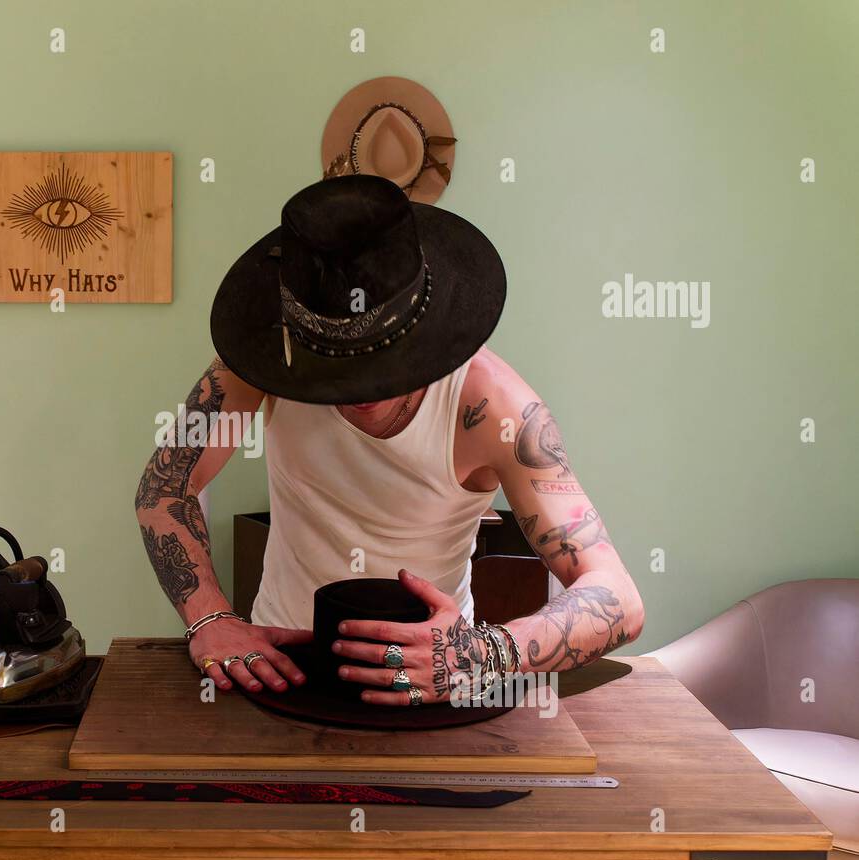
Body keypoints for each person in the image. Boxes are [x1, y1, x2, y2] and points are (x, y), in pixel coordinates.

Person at [134, 175, 644, 707]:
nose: (361, 391)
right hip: (287, 668)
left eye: (381, 362)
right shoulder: (268, 361)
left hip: (434, 678)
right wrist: (210, 619)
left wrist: (485, 654)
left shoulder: (495, 407)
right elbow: (164, 489)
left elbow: (618, 597)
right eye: (334, 364)